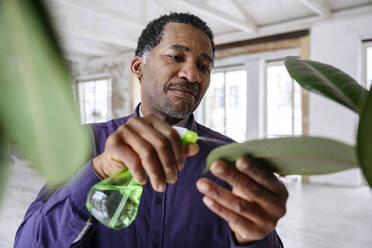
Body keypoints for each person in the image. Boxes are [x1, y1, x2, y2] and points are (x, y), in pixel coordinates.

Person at [14, 13, 288, 248]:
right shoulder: (85, 144)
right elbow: (28, 243)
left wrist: (253, 239)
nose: (192, 75)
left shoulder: (229, 159)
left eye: (204, 66)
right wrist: (97, 171)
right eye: (175, 56)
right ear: (138, 67)